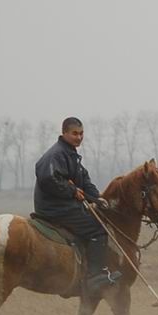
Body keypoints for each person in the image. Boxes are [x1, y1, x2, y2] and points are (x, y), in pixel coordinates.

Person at [34, 117, 122, 294]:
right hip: (54, 208)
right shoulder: (56, 154)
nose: (79, 137)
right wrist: (72, 191)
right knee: (98, 229)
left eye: (81, 134)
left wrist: (97, 198)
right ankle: (95, 275)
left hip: (66, 206)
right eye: (74, 133)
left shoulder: (72, 155)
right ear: (64, 133)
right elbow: (48, 178)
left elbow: (84, 181)